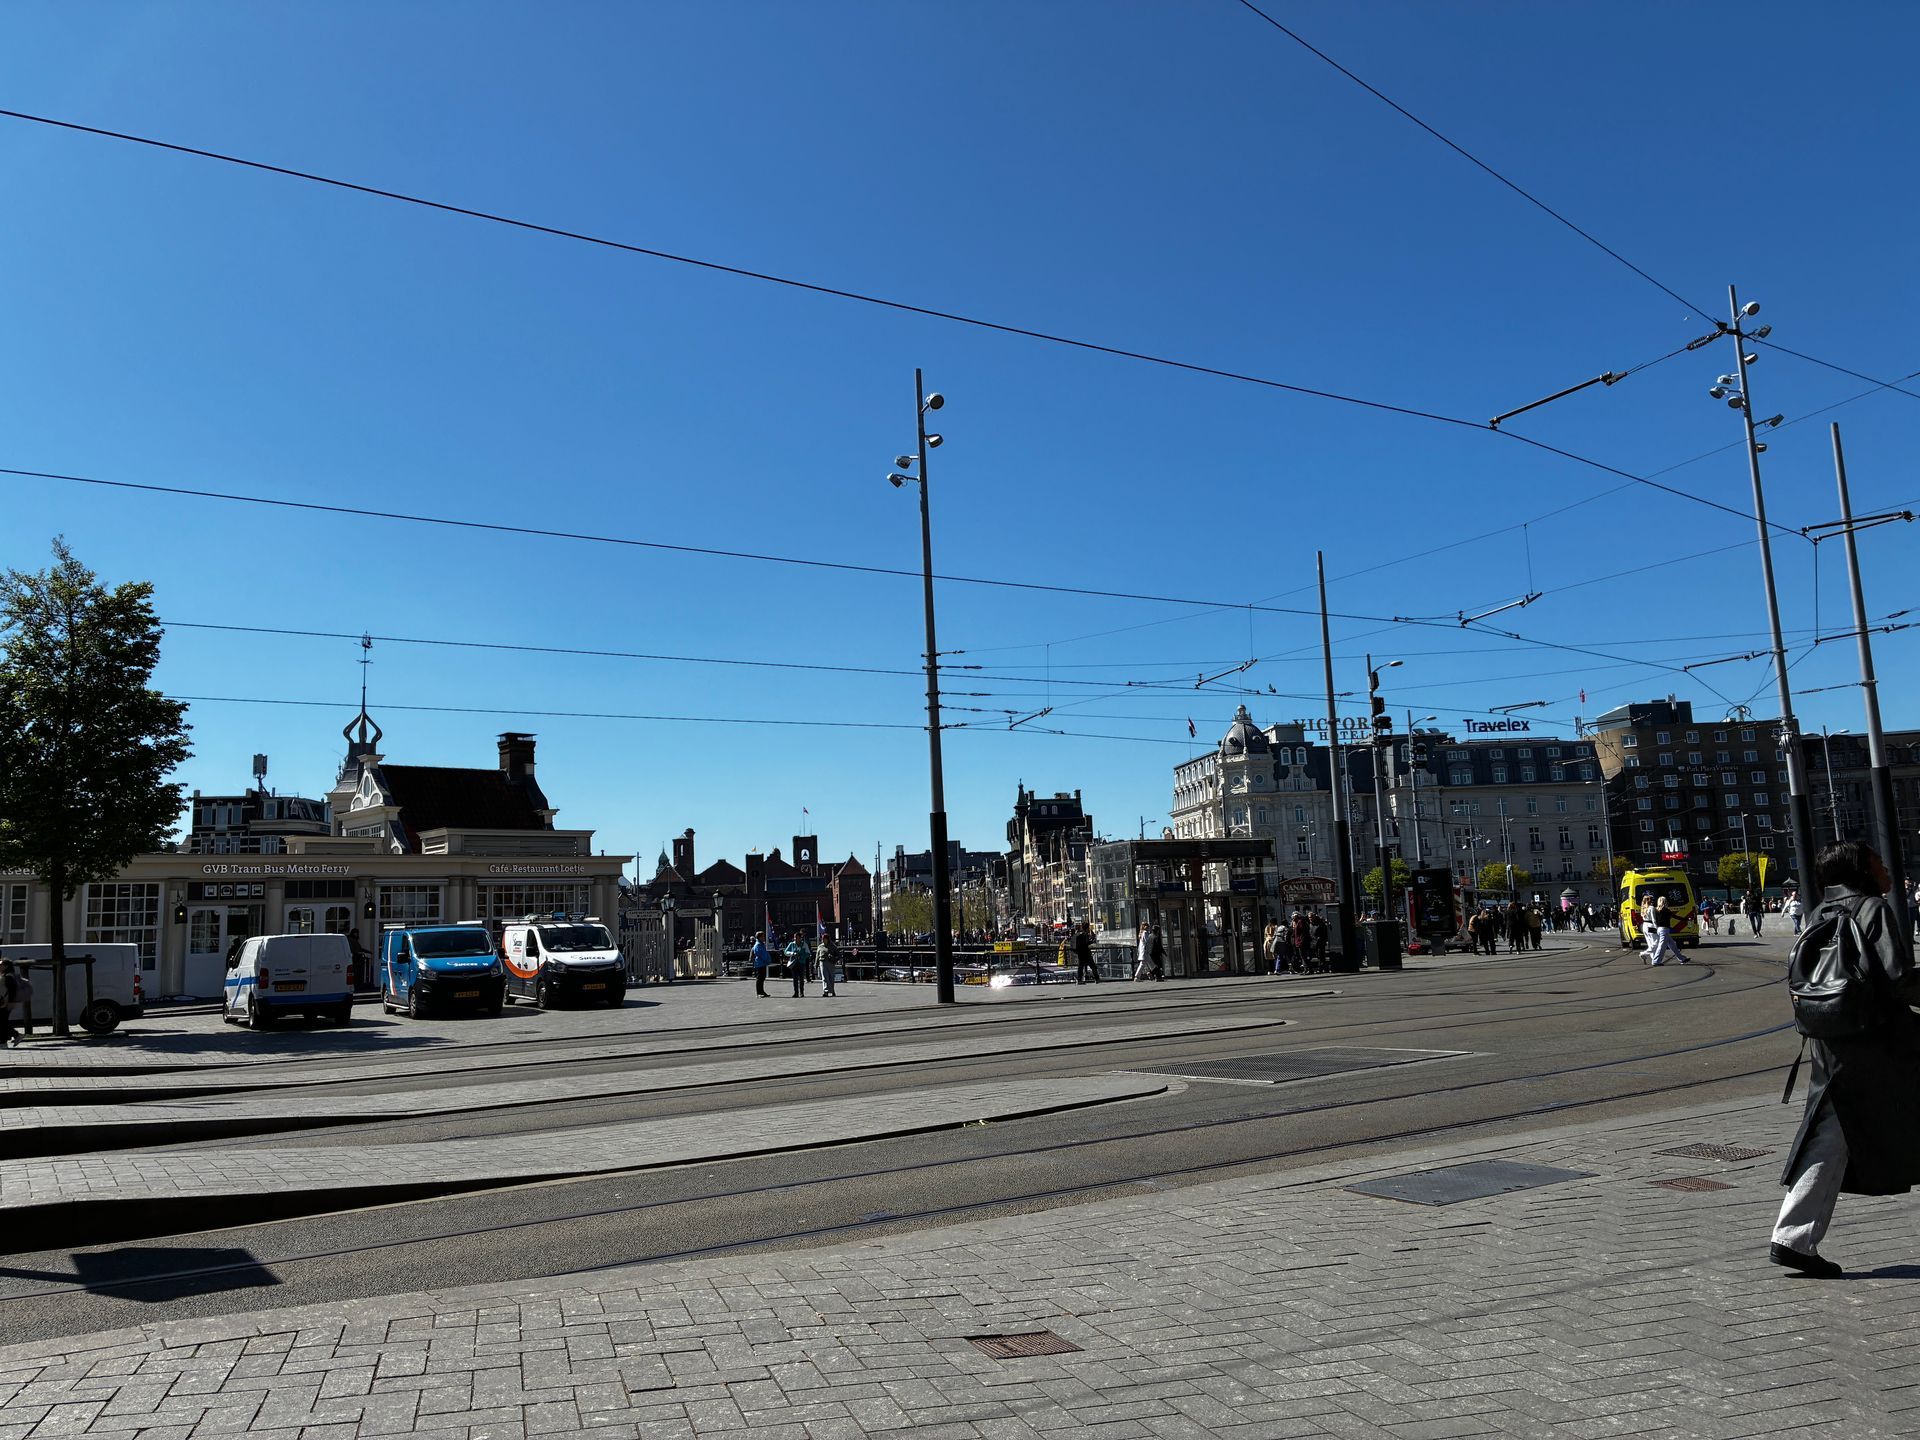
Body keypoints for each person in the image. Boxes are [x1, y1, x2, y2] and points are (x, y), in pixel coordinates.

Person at [1771, 842, 1920, 1277]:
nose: (1886, 868)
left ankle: (1794, 1237)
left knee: (1833, 1131)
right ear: (1861, 871)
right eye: (1878, 862)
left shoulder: (1820, 913)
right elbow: (1896, 977)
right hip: (1875, 1041)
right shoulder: (1873, 908)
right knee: (1832, 1131)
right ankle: (1791, 1237)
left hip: (1831, 1036)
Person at [784, 931, 810, 997]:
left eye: (797, 938)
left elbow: (808, 953)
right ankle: (796, 992)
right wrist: (792, 953)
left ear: (800, 938)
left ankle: (801, 992)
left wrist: (802, 956)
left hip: (801, 963)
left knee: (801, 978)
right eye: (795, 937)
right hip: (794, 963)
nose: (795, 939)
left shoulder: (804, 944)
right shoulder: (792, 944)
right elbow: (785, 952)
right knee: (795, 978)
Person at [0, 960, 18, 1049]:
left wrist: (10, 1002)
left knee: (2, 1023)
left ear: (6, 966)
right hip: (3, 1002)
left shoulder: (8, 977)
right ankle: (16, 1035)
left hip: (5, 1003)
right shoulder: (3, 975)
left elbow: (12, 991)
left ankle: (3, 1042)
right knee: (3, 1022)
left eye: (1, 964)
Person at [816, 932, 838, 997]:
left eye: (824, 939)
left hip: (830, 963)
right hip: (822, 962)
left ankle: (832, 990)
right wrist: (816, 964)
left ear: (827, 939)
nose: (823, 940)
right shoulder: (820, 946)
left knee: (831, 977)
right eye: (822, 939)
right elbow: (817, 956)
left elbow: (838, 955)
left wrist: (833, 958)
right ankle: (826, 991)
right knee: (825, 977)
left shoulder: (833, 946)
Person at [750, 932, 771, 997]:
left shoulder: (761, 944)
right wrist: (767, 960)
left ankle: (761, 991)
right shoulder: (758, 945)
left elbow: (765, 953)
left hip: (762, 963)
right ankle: (759, 992)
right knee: (759, 978)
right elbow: (760, 954)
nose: (764, 938)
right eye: (762, 936)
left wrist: (768, 959)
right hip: (759, 963)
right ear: (759, 937)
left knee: (762, 978)